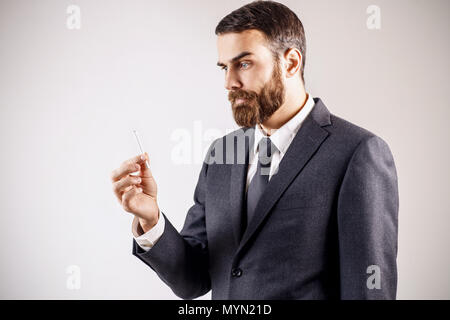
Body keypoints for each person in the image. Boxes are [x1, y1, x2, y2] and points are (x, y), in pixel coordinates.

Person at [110, 0, 399, 299]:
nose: (229, 82)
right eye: (225, 67)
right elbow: (192, 281)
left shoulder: (357, 153)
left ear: (290, 62)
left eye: (244, 63)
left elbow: (368, 291)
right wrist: (151, 219)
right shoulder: (221, 154)